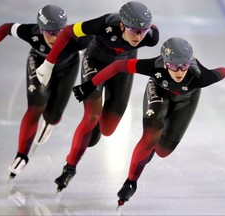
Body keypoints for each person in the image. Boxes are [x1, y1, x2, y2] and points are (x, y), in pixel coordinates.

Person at [73, 37, 225, 205]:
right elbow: (118, 66)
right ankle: (131, 182)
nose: (179, 71)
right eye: (173, 65)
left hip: (187, 99)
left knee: (163, 151)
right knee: (151, 135)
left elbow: (223, 71)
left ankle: (151, 148)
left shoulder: (201, 77)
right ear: (165, 63)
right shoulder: (154, 66)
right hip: (159, 91)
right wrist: (89, 85)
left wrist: (206, 68)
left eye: (183, 65)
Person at [35, 1, 160, 192]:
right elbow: (68, 31)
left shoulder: (151, 37)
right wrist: (49, 62)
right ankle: (70, 167)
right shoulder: (105, 23)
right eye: (134, 30)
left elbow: (151, 32)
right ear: (121, 25)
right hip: (95, 61)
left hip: (123, 67)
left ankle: (92, 130)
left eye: (143, 30)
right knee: (92, 115)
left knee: (107, 129)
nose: (138, 36)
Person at [0, 5, 92, 179]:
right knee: (35, 106)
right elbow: (5, 28)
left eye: (59, 31)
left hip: (67, 67)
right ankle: (21, 155)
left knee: (53, 116)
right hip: (38, 62)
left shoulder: (76, 38)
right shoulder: (31, 33)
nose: (55, 38)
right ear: (40, 29)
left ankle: (49, 122)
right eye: (49, 32)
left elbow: (99, 38)